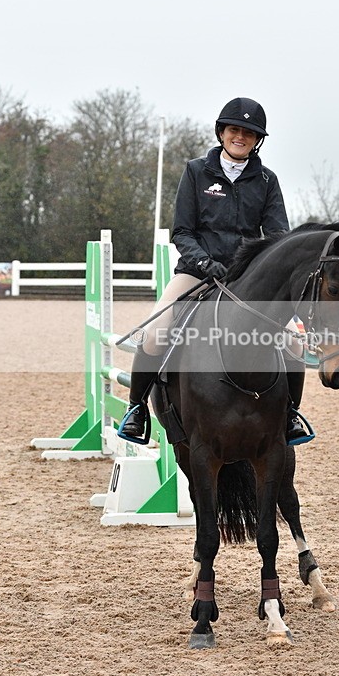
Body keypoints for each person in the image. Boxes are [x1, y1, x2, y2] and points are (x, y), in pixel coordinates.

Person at [120, 96, 310, 445]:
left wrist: (257, 268)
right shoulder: (196, 171)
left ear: (257, 140)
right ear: (222, 132)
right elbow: (182, 231)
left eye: (249, 133)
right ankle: (136, 410)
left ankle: (291, 414)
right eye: (235, 130)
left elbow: (278, 236)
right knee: (154, 333)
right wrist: (206, 263)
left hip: (246, 279)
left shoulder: (266, 180)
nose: (241, 137)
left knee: (294, 343)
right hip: (197, 272)